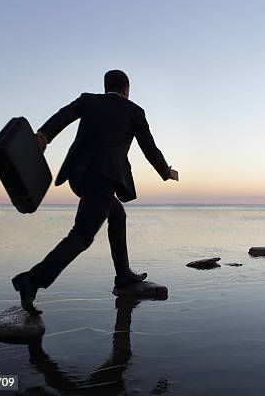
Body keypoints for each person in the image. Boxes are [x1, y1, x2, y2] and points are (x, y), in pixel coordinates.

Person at [12, 70, 178, 315]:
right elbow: (149, 148)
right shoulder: (134, 111)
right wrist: (166, 171)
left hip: (79, 176)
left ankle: (123, 276)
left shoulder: (89, 100)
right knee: (81, 236)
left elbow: (63, 115)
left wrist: (43, 136)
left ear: (105, 87)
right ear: (126, 89)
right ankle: (32, 280)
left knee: (117, 215)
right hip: (104, 178)